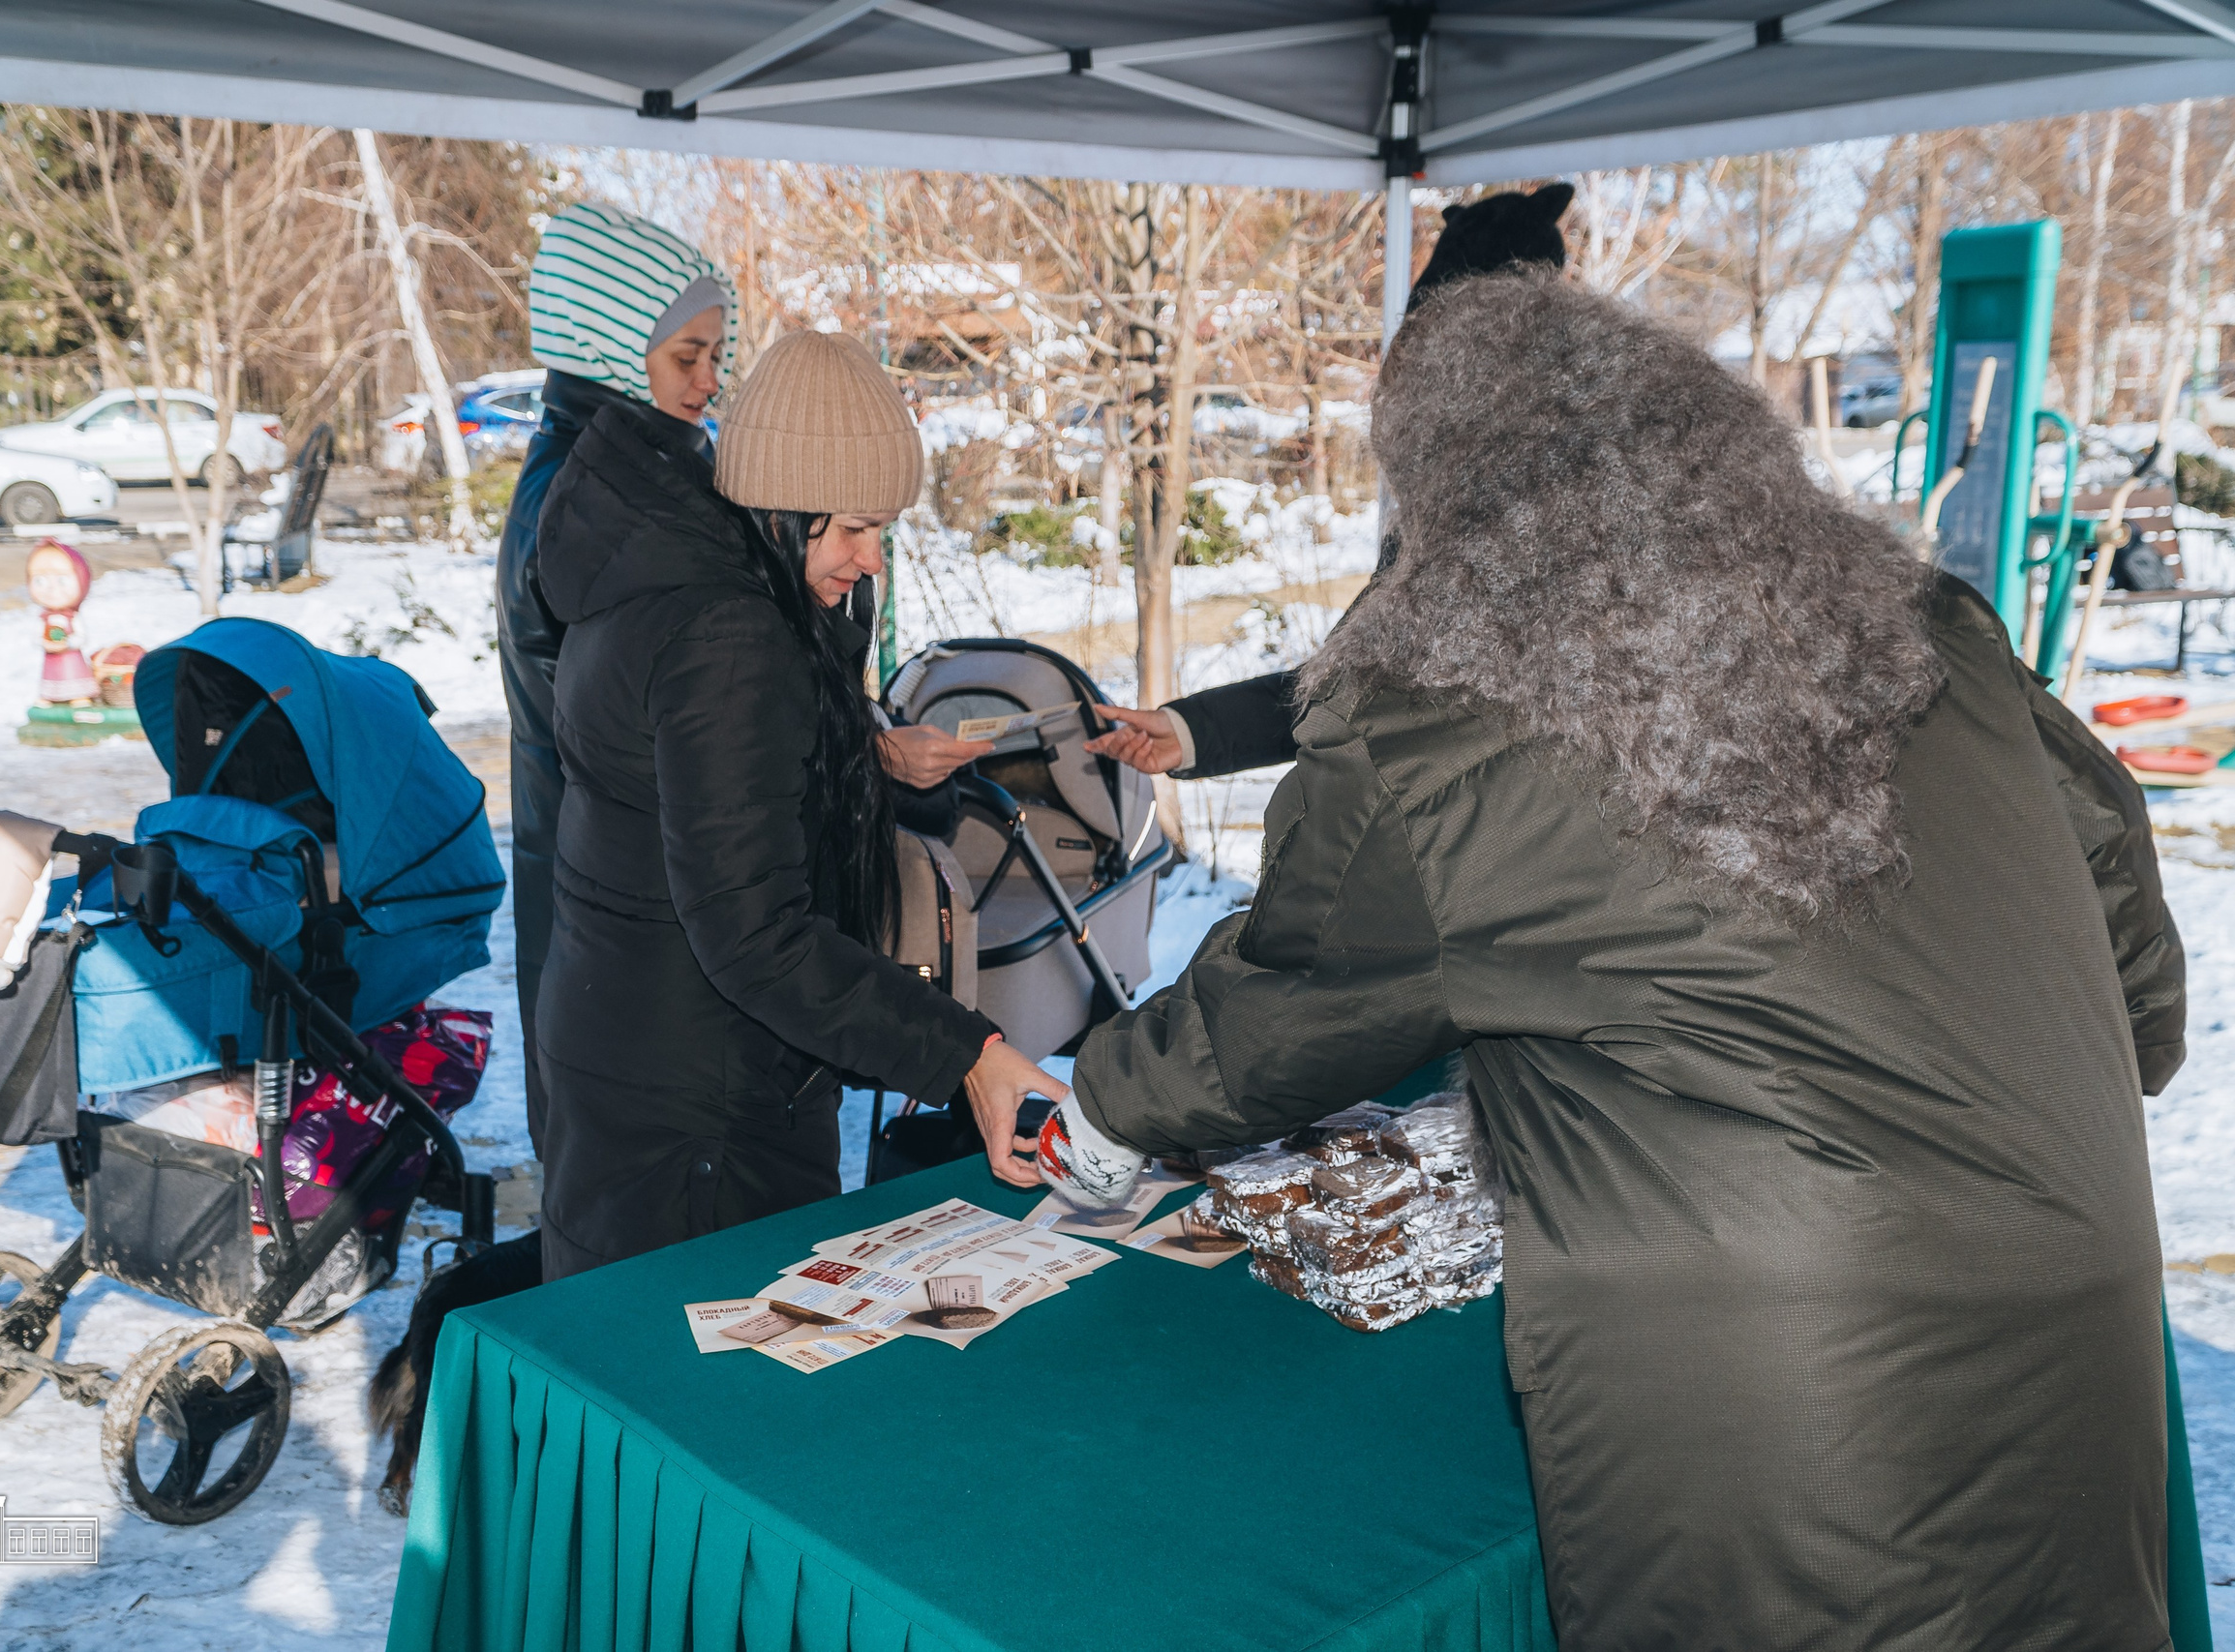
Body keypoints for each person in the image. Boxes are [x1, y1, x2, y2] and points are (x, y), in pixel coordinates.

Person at [1014, 269, 2183, 1646]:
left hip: (1796, 1380)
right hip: (2076, 1279)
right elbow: (2118, 893)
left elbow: (1288, 1001)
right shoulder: (1926, 621)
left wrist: (1106, 1102)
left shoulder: (1440, 722)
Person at [529, 328, 1053, 1280]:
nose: (871, 558)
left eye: (882, 529)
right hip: (701, 1109)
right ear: (782, 505)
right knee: (710, 1359)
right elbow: (755, 935)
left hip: (640, 1055)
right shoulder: (729, 637)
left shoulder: (680, 578)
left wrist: (868, 763)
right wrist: (965, 1055)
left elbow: (711, 795)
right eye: (851, 528)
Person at [1085, 182, 1576, 782]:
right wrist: (1193, 734)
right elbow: (1357, 689)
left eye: (1430, 372)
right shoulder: (1449, 515)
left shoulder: (1568, 528)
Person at [498, 201, 739, 1154]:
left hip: (607, 873)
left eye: (716, 355)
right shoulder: (593, 502)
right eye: (687, 357)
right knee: (627, 1155)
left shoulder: (627, 472)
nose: (709, 381)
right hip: (603, 887)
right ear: (609, 346)